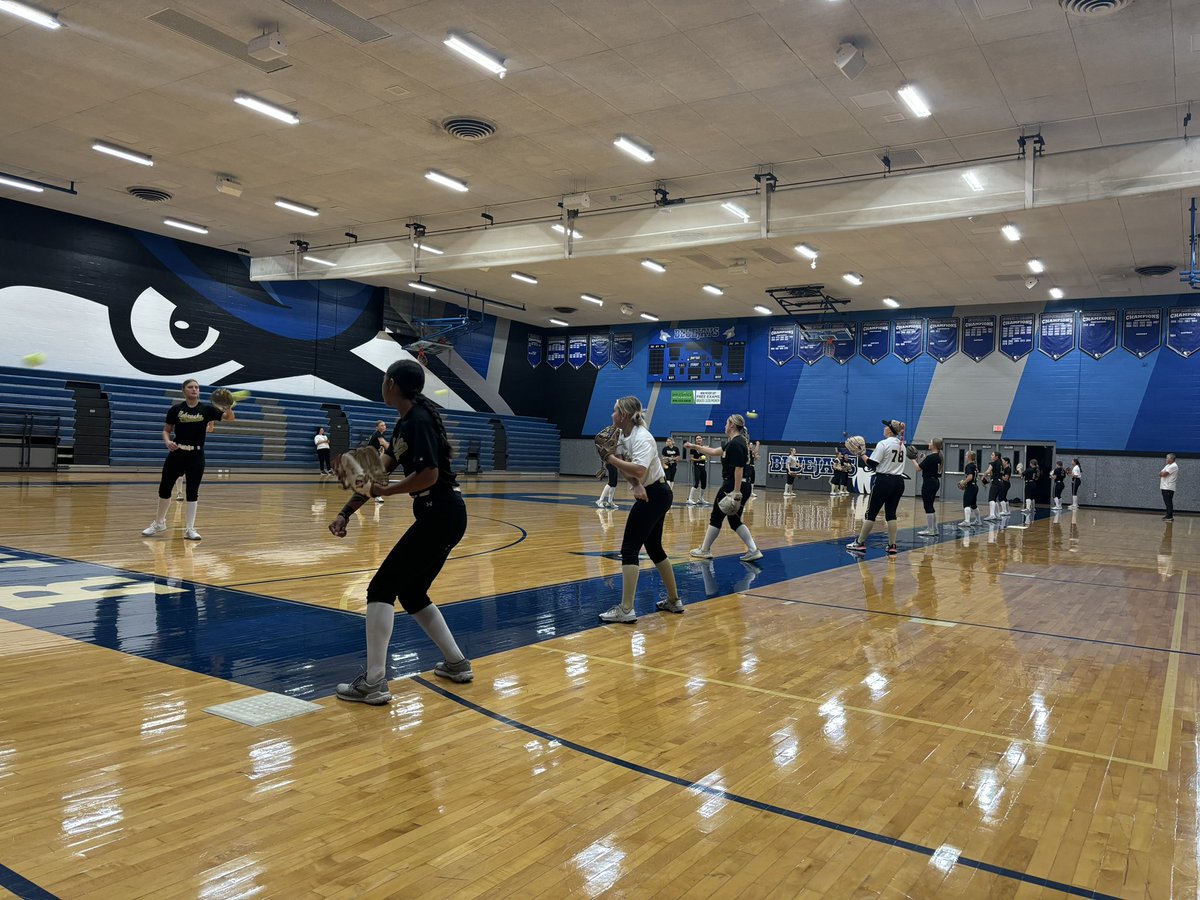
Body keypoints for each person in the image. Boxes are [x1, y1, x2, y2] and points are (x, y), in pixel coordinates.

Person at [330, 359, 472, 704]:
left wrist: (387, 491)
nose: (382, 385)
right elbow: (376, 475)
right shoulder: (403, 424)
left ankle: (374, 682)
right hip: (443, 515)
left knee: (381, 588)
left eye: (384, 380)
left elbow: (429, 475)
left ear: (392, 384)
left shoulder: (419, 421)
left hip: (441, 512)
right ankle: (456, 663)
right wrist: (346, 511)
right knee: (412, 593)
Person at [597, 397, 683, 623]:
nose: (612, 415)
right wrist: (635, 484)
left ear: (624, 415)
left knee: (629, 549)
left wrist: (611, 458)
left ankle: (626, 609)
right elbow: (629, 471)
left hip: (656, 494)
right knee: (654, 548)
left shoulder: (642, 437)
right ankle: (674, 600)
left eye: (615, 411)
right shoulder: (623, 436)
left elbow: (639, 468)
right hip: (653, 492)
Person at [141, 379, 234, 541]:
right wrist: (167, 442)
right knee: (164, 488)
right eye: (190, 387)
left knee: (192, 491)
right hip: (177, 453)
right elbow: (166, 430)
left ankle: (190, 529)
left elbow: (230, 418)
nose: (194, 389)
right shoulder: (176, 409)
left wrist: (228, 407)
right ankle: (159, 523)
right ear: (184, 390)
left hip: (196, 456)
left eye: (197, 387)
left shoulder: (207, 409)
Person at [686, 416, 762, 562]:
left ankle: (704, 550)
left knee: (716, 517)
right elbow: (714, 451)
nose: (725, 425)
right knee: (734, 520)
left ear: (732, 425)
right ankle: (753, 550)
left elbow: (739, 468)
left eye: (727, 423)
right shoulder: (735, 442)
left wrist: (736, 492)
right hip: (742, 485)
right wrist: (695, 446)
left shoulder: (736, 443)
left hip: (733, 485)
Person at [846, 420, 908, 555]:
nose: (884, 428)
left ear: (890, 430)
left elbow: (872, 464)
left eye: (886, 426)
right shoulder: (902, 445)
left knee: (871, 513)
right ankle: (892, 545)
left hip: (884, 481)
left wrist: (861, 454)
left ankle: (860, 543)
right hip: (898, 482)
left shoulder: (883, 444)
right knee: (891, 514)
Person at [916, 438, 942, 536]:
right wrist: (924, 459)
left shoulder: (931, 457)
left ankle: (930, 530)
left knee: (927, 506)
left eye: (930, 442)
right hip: (935, 481)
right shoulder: (938, 457)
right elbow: (930, 466)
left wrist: (912, 459)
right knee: (930, 505)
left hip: (929, 483)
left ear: (934, 445)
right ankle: (934, 529)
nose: (929, 443)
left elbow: (918, 468)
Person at [368, 421, 391, 503]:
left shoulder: (379, 435)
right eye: (381, 425)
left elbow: (382, 448)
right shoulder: (377, 434)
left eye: (384, 425)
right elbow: (385, 444)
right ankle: (377, 496)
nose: (384, 426)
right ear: (377, 427)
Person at [958, 451, 980, 528]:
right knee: (973, 505)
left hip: (970, 487)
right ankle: (978, 520)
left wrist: (963, 482)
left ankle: (967, 521)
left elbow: (970, 477)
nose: (965, 456)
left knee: (966, 504)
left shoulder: (968, 466)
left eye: (966, 455)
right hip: (975, 486)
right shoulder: (975, 466)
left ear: (969, 457)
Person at [686, 435, 708, 506]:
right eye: (697, 438)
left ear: (702, 439)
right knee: (696, 483)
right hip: (696, 466)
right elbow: (691, 458)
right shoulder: (693, 448)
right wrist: (698, 459)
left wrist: (706, 454)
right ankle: (690, 499)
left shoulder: (703, 448)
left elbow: (706, 456)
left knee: (704, 484)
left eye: (700, 438)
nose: (699, 439)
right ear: (695, 440)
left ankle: (700, 499)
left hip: (703, 467)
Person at [983, 452, 1004, 521]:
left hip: (995, 482)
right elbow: (994, 473)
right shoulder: (1001, 464)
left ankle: (992, 515)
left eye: (992, 455)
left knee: (991, 499)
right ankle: (997, 515)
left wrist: (983, 476)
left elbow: (988, 471)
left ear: (996, 457)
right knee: (995, 499)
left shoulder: (993, 463)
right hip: (1000, 482)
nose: (991, 456)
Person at [1160, 453, 1179, 521]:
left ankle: (1169, 516)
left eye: (1167, 458)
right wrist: (1161, 473)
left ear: (1171, 459)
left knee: (1168, 502)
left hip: (1168, 487)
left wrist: (1162, 473)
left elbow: (1164, 474)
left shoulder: (1173, 466)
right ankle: (1168, 515)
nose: (1166, 459)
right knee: (1167, 502)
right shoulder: (1168, 465)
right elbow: (1160, 473)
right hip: (1164, 486)